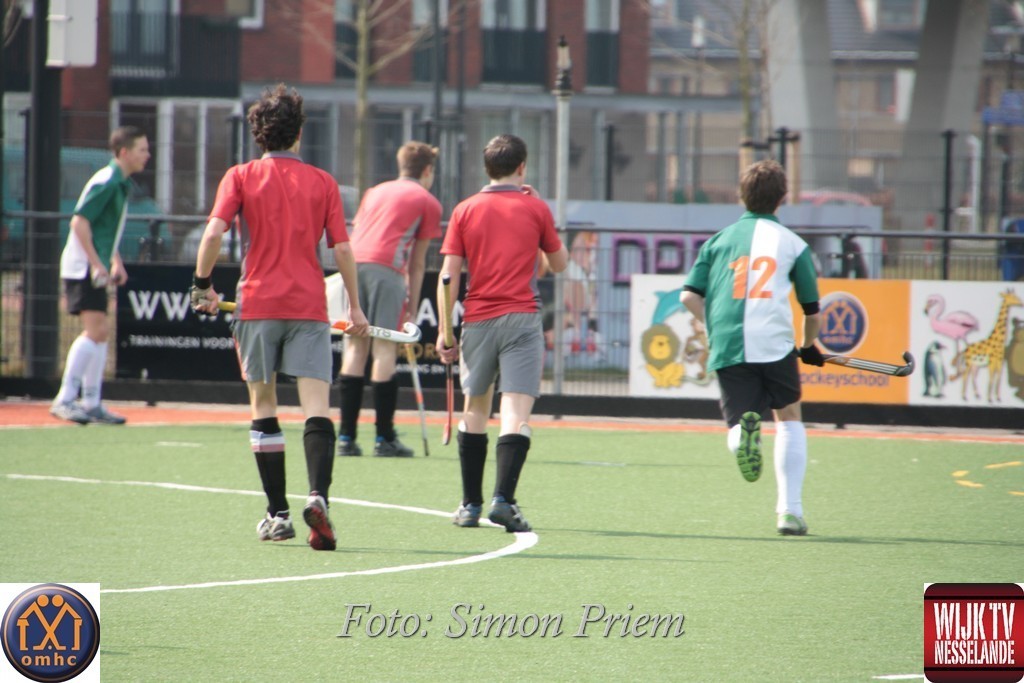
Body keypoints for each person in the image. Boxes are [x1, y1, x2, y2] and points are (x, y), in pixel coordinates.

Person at [190, 84, 368, 551]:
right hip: (309, 306)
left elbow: (213, 234)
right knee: (316, 407)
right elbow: (342, 249)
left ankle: (278, 514)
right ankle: (318, 497)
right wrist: (354, 306)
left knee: (264, 405)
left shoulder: (240, 176)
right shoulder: (324, 182)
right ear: (299, 133)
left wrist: (202, 285)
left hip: (258, 306)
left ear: (257, 134)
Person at [680, 159, 824, 536]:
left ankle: (741, 439)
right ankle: (789, 512)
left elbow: (688, 296)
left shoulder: (718, 240)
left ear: (741, 196)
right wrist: (809, 345)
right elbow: (812, 311)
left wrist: (715, 326)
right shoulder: (793, 244)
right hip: (775, 342)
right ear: (783, 198)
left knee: (739, 421)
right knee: (788, 416)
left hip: (729, 340)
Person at [437, 134, 568, 532]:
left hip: (477, 320)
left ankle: (469, 505)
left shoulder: (464, 209)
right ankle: (503, 500)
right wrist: (541, 213)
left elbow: (448, 275)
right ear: (522, 167)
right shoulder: (535, 207)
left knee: (475, 410)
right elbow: (559, 264)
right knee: (515, 412)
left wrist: (444, 331)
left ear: (486, 168)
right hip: (523, 321)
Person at [337, 141, 442, 458]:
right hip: (387, 270)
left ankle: (346, 438)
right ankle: (384, 438)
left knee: (355, 347)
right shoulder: (427, 201)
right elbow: (418, 263)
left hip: (353, 266)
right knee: (384, 349)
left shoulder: (374, 191)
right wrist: (412, 307)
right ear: (427, 170)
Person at [50, 126, 151, 425]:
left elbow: (103, 229)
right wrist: (96, 264)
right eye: (142, 149)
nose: (147, 155)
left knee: (102, 331)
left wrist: (114, 261)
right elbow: (79, 223)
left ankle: (92, 403)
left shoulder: (120, 183)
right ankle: (65, 399)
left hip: (91, 266)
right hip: (82, 267)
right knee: (95, 330)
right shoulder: (107, 181)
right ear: (124, 152)